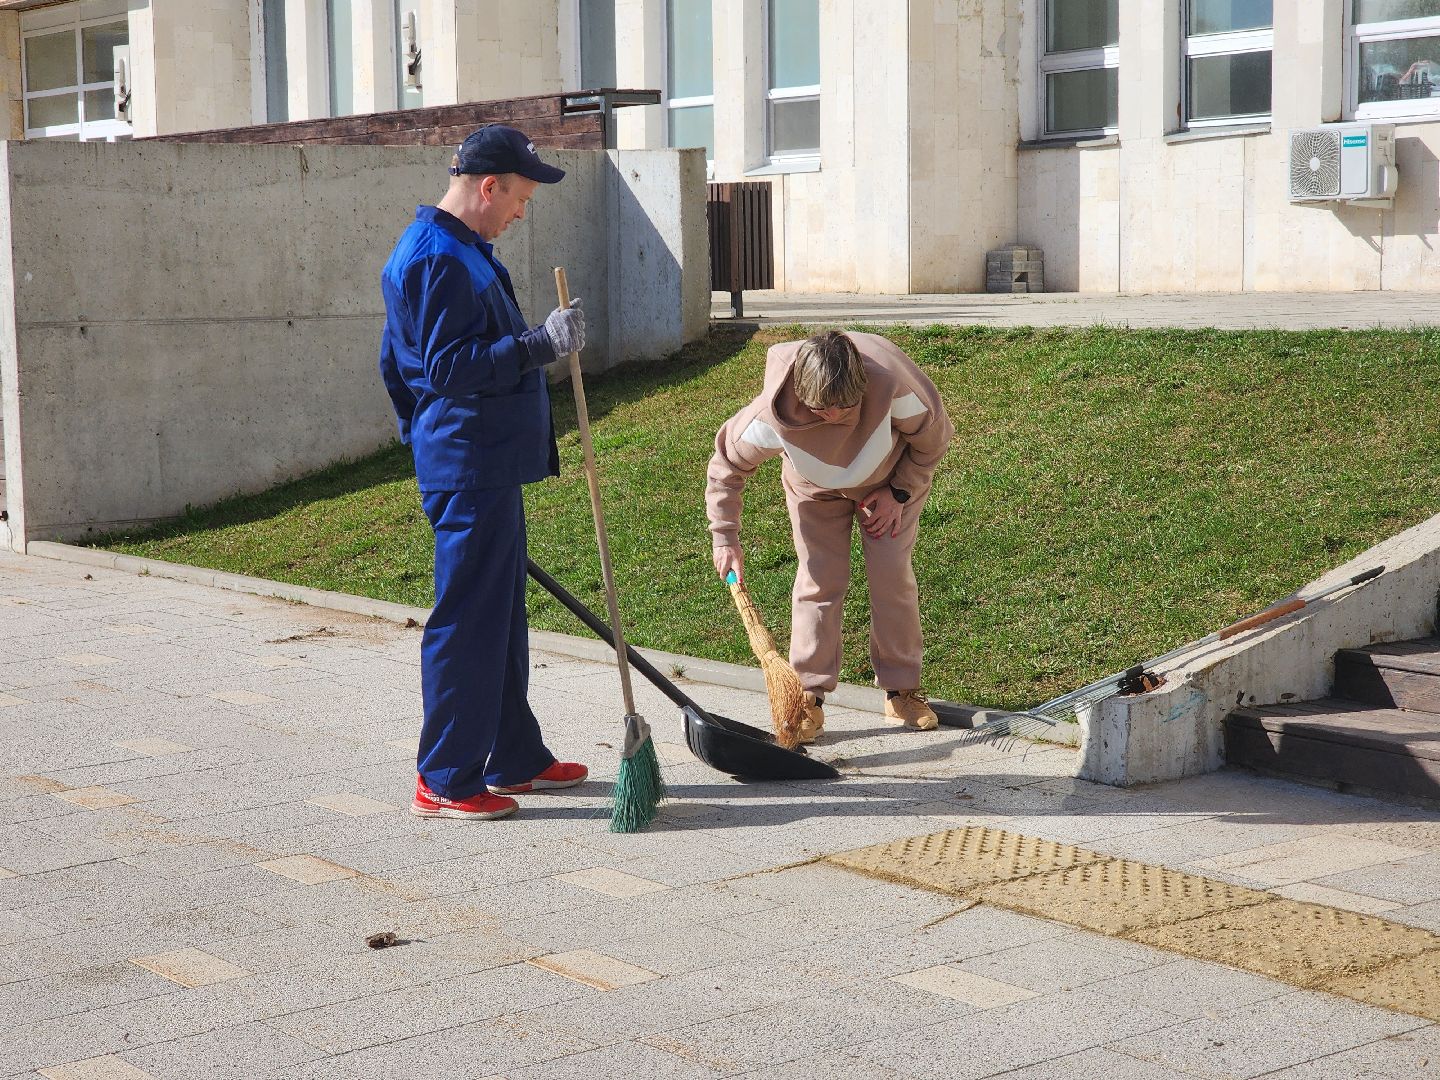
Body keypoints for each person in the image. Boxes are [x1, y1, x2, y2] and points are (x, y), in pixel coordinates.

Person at [379, 125, 589, 820]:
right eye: (520, 197)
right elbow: (443, 370)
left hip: (479, 461)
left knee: (498, 617)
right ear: (488, 185)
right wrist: (540, 346)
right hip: (467, 464)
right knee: (468, 622)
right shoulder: (438, 257)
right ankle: (444, 775)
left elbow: (396, 366)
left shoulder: (462, 250)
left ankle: (513, 755)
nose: (521, 212)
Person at [706, 330, 954, 743]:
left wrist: (898, 491)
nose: (837, 416)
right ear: (803, 397)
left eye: (848, 407)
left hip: (890, 485)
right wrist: (725, 537)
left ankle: (902, 692)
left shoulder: (893, 387)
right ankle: (807, 697)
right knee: (819, 579)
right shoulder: (769, 417)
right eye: (824, 410)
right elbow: (726, 469)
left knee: (891, 577)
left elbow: (934, 440)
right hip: (813, 490)